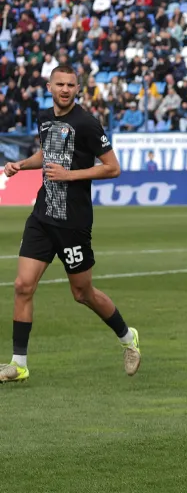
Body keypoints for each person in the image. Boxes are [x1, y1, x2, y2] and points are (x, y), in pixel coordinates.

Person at [0, 64, 141, 383]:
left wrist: (70, 175)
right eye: (59, 84)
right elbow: (46, 153)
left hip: (73, 223)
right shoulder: (44, 117)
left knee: (82, 293)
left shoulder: (88, 124)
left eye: (71, 85)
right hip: (42, 216)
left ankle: (127, 338)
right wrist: (22, 165)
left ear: (78, 89)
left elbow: (113, 168)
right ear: (49, 87)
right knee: (22, 286)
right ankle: (18, 364)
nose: (65, 89)